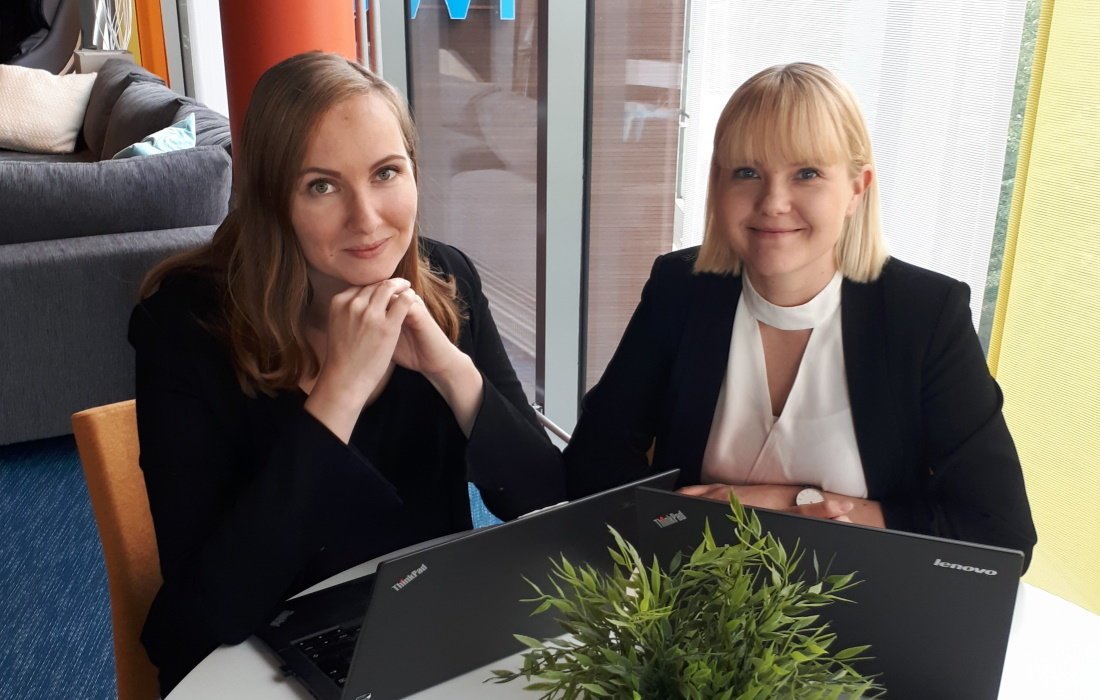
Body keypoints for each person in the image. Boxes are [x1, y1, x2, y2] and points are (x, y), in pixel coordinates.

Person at [130, 51, 564, 695]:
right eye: (322, 186)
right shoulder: (184, 327)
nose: (367, 219)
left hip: (426, 633)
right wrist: (340, 391)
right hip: (258, 659)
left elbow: (547, 502)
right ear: (271, 200)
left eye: (386, 172)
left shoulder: (447, 281)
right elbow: (206, 614)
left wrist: (452, 370)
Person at [564, 63, 1036, 566]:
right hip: (695, 590)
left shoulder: (923, 315)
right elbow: (590, 468)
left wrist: (782, 504)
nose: (773, 202)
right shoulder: (680, 289)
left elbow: (1001, 537)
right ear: (717, 184)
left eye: (807, 174)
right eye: (747, 173)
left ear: (857, 189)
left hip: (865, 596)